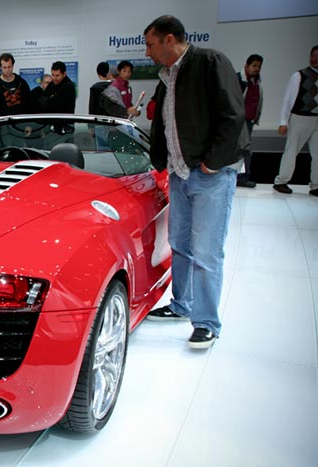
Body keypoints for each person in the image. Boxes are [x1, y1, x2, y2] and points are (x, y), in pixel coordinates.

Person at [143, 15, 244, 349]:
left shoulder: (209, 62)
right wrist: (162, 161)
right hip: (178, 173)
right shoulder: (167, 76)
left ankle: (206, 322)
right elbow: (164, 123)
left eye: (151, 44)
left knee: (206, 252)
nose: (147, 52)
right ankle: (181, 305)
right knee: (179, 244)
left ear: (169, 39)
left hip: (210, 175)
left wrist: (213, 162)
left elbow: (233, 116)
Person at [273, 45, 318, 196]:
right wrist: (283, 122)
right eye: (313, 55)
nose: (315, 59)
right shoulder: (299, 76)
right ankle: (281, 181)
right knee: (292, 151)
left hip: (316, 119)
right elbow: (288, 100)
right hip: (300, 117)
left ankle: (316, 185)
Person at [236, 54, 263, 188]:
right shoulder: (238, 79)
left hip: (249, 121)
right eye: (254, 66)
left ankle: (241, 177)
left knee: (244, 149)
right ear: (246, 66)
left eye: (259, 66)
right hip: (239, 120)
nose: (257, 69)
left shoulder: (256, 82)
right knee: (244, 149)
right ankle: (241, 177)